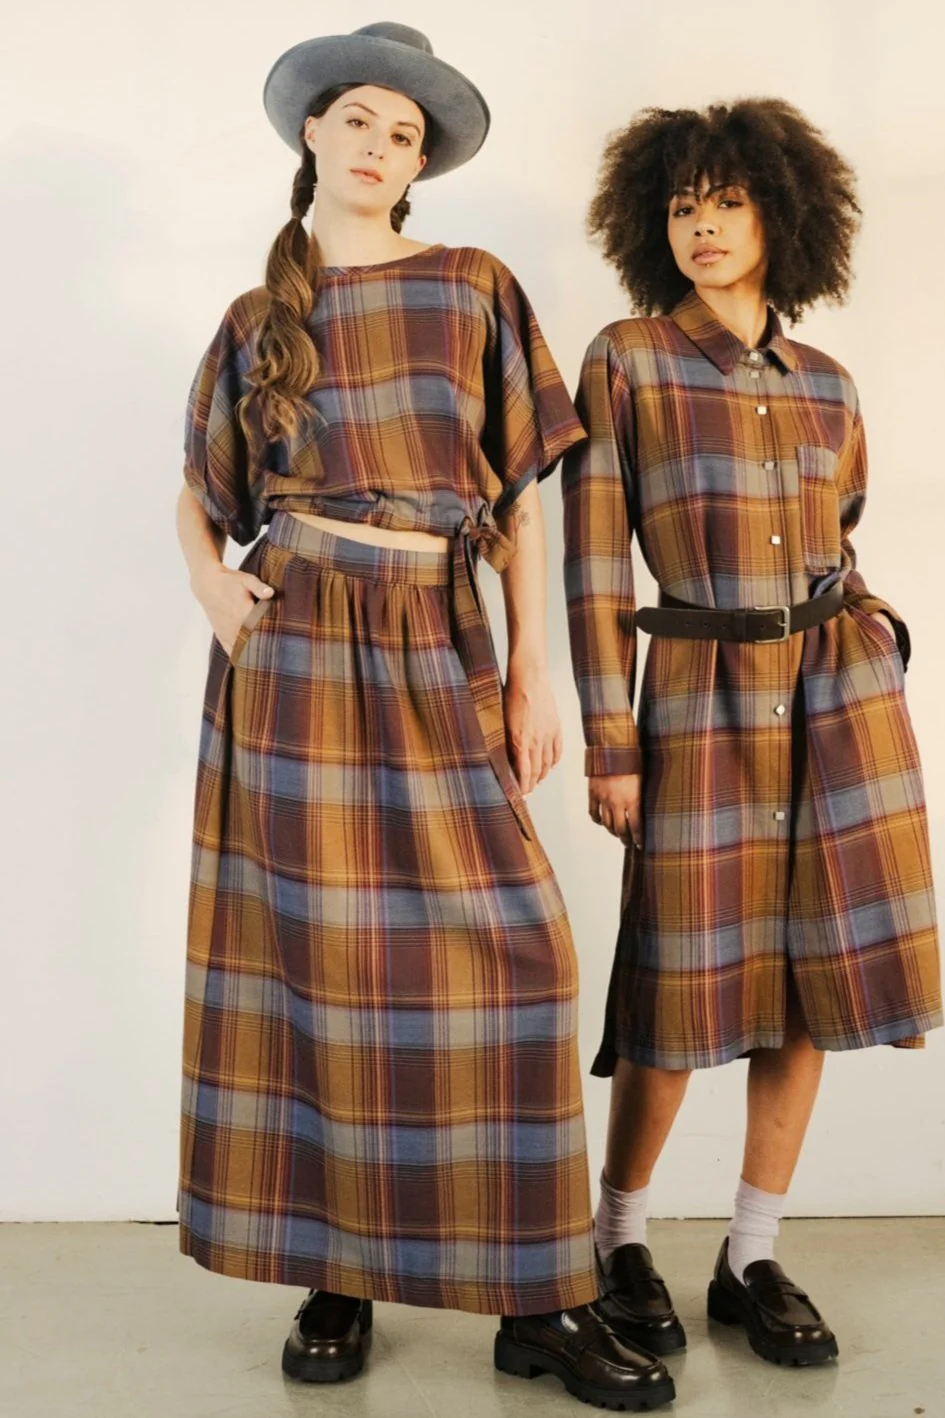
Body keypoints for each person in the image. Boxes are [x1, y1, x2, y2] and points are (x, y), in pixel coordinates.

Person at [174, 21, 674, 1410]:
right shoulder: (257, 318)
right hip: (294, 653)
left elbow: (522, 502)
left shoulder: (472, 286)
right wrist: (212, 582)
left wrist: (534, 673)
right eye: (358, 120)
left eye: (404, 133)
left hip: (437, 638)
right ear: (312, 136)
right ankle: (336, 1269)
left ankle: (540, 1292)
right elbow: (199, 492)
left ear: (420, 163)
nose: (379, 145)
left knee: (519, 960)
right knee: (319, 964)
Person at [562, 97, 942, 1373]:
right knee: (677, 982)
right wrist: (609, 739)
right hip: (699, 693)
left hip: (834, 700)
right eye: (683, 206)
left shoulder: (828, 383)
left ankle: (751, 1253)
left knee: (807, 986)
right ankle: (618, 1238)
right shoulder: (626, 358)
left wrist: (878, 627)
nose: (704, 226)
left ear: (782, 216)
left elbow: (842, 534)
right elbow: (591, 564)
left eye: (728, 202)